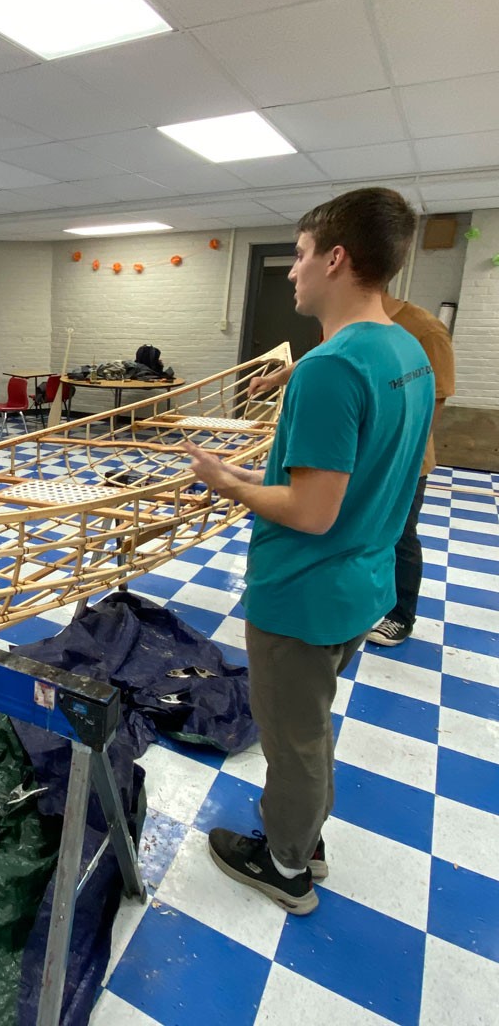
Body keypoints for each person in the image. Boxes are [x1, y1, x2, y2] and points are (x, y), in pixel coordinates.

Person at [188, 188, 435, 914]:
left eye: (298, 256)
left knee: (292, 740)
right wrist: (298, 372)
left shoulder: (334, 368)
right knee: (311, 724)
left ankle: (287, 865)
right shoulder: (404, 349)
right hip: (361, 585)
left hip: (304, 592)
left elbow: (311, 511)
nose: (292, 272)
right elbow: (363, 397)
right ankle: (308, 835)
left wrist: (227, 481)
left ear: (336, 258)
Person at [249, 293, 455, 647]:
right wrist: (277, 377)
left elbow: (435, 397)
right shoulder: (347, 325)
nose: (294, 276)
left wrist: (402, 451)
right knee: (341, 526)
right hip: (349, 453)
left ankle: (400, 614)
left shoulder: (422, 330)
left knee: (397, 533)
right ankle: (344, 608)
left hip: (400, 455)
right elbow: (328, 358)